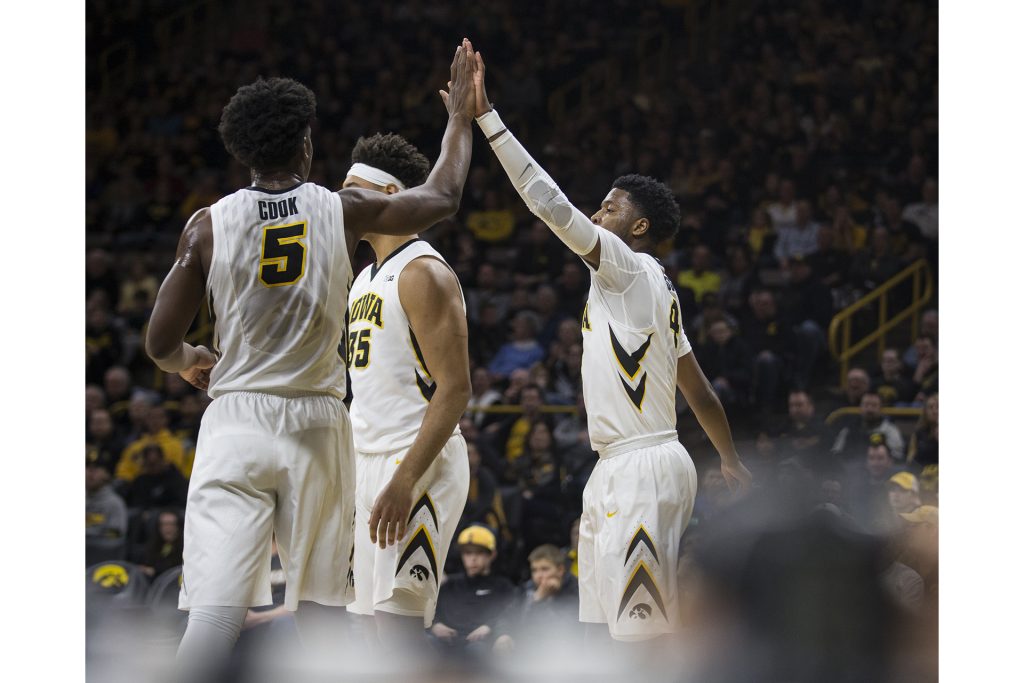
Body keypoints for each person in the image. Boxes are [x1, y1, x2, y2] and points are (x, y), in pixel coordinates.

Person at [143, 44, 478, 680]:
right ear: (305, 146)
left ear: (241, 151)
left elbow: (160, 343)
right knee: (326, 610)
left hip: (236, 419)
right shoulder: (340, 209)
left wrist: (189, 359)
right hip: (321, 425)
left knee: (214, 614)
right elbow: (444, 196)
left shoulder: (206, 226)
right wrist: (459, 118)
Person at [467, 45, 751, 643]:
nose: (597, 212)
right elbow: (696, 388)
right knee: (604, 633)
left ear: (638, 227)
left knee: (639, 639)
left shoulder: (628, 268)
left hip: (641, 465)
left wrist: (487, 118)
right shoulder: (652, 292)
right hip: (622, 465)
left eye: (610, 206)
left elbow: (549, 204)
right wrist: (727, 457)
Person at [341, 132, 471, 650]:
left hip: (415, 463)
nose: (343, 202)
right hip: (367, 460)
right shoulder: (362, 278)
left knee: (398, 632)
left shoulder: (423, 273)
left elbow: (456, 389)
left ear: (391, 198)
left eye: (354, 190)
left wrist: (404, 478)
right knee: (367, 628)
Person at [430, 525, 517, 657]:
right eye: (468, 553)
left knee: (476, 651)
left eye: (479, 552)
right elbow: (430, 612)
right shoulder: (449, 584)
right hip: (444, 642)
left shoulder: (503, 587)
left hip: (480, 645)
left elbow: (509, 614)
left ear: (492, 554)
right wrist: (434, 626)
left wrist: (489, 626)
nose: (473, 558)